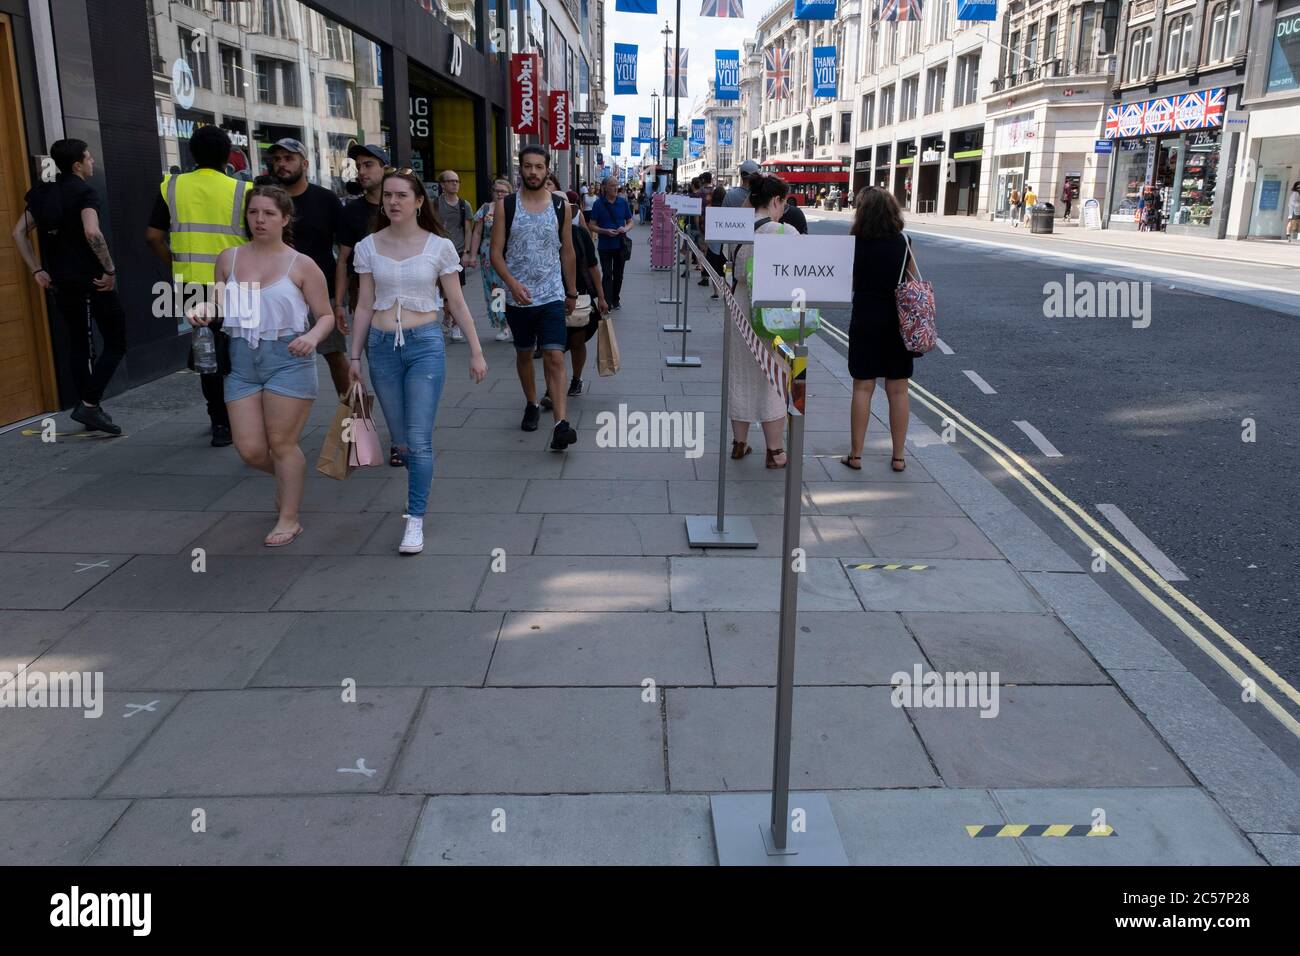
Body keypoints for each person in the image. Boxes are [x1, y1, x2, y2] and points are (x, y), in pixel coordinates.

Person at [349, 169, 488, 554]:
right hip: (380, 347)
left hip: (425, 344)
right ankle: (419, 485)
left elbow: (457, 302)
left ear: (418, 202)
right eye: (388, 195)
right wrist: (354, 355)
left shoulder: (438, 247)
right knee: (402, 442)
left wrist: (476, 351)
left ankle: (414, 519)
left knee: (420, 440)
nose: (393, 201)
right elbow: (362, 305)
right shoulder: (368, 247)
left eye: (401, 195)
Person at [191, 185, 335, 546]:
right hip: (241, 360)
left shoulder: (302, 265)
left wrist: (313, 337)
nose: (259, 219)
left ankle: (289, 516)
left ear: (285, 219)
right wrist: (205, 310)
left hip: (288, 358)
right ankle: (290, 481)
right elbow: (220, 299)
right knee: (251, 450)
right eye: (254, 212)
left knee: (282, 443)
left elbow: (326, 316)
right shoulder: (229, 258)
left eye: (269, 213)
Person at [12, 138, 125, 434]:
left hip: (61, 281)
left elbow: (18, 233)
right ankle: (89, 405)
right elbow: (92, 231)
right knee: (116, 342)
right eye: (88, 158)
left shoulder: (42, 193)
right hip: (94, 279)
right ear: (77, 165)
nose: (91, 162)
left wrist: (37, 269)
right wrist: (110, 269)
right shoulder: (85, 192)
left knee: (78, 344)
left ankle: (88, 409)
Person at [146, 124, 249, 446]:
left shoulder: (172, 187)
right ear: (227, 155)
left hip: (192, 285)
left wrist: (176, 265)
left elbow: (152, 236)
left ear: (191, 153)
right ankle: (241, 416)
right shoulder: (242, 191)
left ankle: (220, 424)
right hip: (235, 284)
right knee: (240, 351)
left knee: (207, 355)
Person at [489, 145, 579, 451]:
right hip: (519, 299)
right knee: (525, 353)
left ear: (547, 170)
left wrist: (571, 291)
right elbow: (495, 253)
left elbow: (567, 251)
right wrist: (511, 284)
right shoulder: (507, 206)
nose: (533, 172)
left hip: (552, 294)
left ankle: (560, 424)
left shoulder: (560, 207)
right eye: (528, 166)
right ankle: (530, 402)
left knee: (555, 355)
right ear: (521, 169)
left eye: (539, 167)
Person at [266, 138, 349, 398]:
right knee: (277, 359)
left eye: (288, 158)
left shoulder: (326, 200)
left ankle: (355, 418)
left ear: (304, 163)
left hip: (320, 294)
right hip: (277, 294)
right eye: (277, 159)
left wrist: (339, 302)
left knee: (335, 356)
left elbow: (344, 254)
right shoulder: (267, 203)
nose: (281, 164)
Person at [842, 186, 913, 475]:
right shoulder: (904, 242)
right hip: (897, 320)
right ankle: (898, 457)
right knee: (898, 389)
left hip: (866, 317)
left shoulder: (854, 243)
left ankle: (856, 455)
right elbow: (908, 282)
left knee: (863, 386)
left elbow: (849, 282)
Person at [730, 173, 793, 469]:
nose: (785, 209)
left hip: (742, 307)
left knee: (741, 376)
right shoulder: (783, 233)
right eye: (785, 202)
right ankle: (775, 451)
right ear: (775, 201)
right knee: (775, 378)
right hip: (774, 314)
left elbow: (733, 269)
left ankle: (739, 444)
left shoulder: (738, 229)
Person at [430, 169, 474, 342]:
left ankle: (455, 324)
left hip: (457, 253)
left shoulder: (464, 205)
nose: (455, 184)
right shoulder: (434, 204)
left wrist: (467, 252)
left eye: (457, 181)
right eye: (451, 181)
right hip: (437, 254)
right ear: (442, 184)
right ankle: (448, 318)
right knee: (442, 293)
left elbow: (468, 230)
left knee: (456, 293)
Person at [469, 177, 514, 341]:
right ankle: (503, 325)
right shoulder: (486, 208)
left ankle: (517, 323)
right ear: (493, 192)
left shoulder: (514, 208)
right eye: (498, 191)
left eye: (504, 191)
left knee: (511, 290)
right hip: (488, 254)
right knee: (495, 291)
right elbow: (477, 232)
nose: (500, 194)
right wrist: (472, 255)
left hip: (509, 254)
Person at [588, 175, 633, 311]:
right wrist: (603, 231)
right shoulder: (598, 204)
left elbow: (631, 221)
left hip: (620, 244)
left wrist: (625, 228)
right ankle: (606, 301)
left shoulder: (623, 202)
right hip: (605, 245)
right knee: (607, 274)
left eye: (616, 185)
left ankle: (615, 299)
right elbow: (591, 225)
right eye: (612, 185)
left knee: (618, 274)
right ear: (605, 187)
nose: (615, 187)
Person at [703, 185, 727, 298]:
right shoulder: (727, 209)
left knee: (714, 269)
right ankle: (727, 290)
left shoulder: (710, 208)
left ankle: (716, 292)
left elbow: (706, 225)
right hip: (725, 243)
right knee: (725, 269)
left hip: (713, 243)